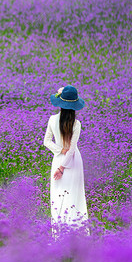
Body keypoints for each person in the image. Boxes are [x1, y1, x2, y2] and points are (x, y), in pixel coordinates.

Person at [43, 85, 89, 240]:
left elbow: (46, 142)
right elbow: (72, 149)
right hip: (74, 163)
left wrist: (59, 152)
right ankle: (78, 238)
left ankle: (59, 237)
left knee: (58, 199)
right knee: (75, 199)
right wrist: (63, 166)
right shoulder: (76, 124)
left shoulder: (52, 119)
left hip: (58, 161)